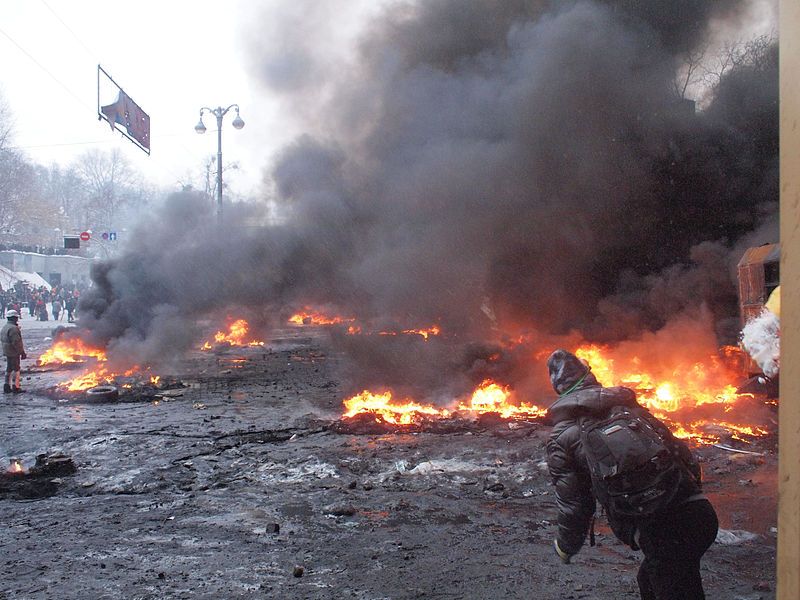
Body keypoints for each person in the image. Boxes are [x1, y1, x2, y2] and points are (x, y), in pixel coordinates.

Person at [545, 349, 718, 600]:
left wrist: (566, 546)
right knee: (650, 581)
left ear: (560, 391)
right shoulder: (628, 408)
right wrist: (685, 492)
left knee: (669, 578)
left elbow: (575, 505)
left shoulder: (562, 437)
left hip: (662, 533)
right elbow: (683, 454)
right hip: (700, 513)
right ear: (589, 377)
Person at [1, 309, 26, 393]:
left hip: (7, 351)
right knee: (16, 368)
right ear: (14, 318)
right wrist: (22, 352)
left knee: (9, 368)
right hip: (14, 352)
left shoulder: (5, 327)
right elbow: (16, 342)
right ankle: (15, 386)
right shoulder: (13, 329)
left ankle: (6, 386)